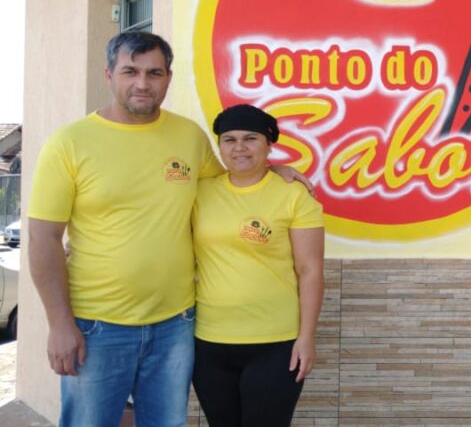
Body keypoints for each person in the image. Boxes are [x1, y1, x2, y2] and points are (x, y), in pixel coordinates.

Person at [28, 32, 309, 427]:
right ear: (109, 74)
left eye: (153, 73)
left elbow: (231, 182)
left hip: (176, 326)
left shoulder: (188, 136)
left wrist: (272, 168)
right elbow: (43, 239)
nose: (142, 83)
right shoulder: (69, 144)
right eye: (130, 71)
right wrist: (59, 323)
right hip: (96, 326)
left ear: (168, 78)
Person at [190, 104, 324, 427]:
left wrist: (306, 337)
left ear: (269, 145)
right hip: (209, 343)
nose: (239, 148)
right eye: (229, 139)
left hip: (275, 344)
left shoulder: (294, 196)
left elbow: (311, 271)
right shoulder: (200, 191)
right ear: (219, 145)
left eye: (251, 139)